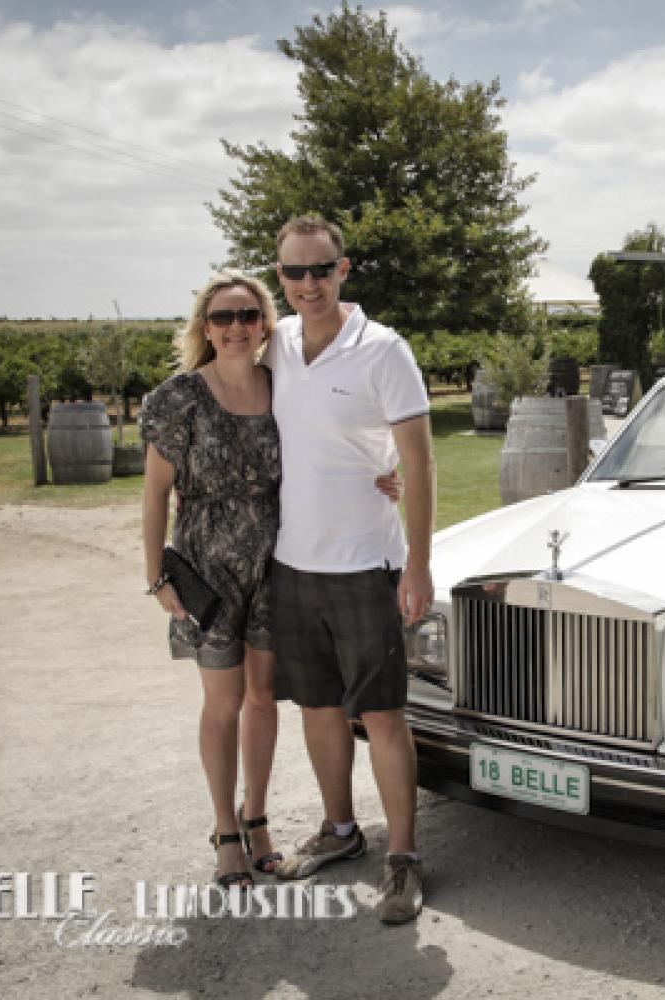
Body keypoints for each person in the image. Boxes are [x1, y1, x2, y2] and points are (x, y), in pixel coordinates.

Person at [265, 214, 435, 926]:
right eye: (294, 272)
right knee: (318, 708)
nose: (308, 283)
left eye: (321, 269)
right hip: (292, 563)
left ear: (345, 269)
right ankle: (341, 832)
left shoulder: (384, 351)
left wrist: (418, 566)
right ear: (280, 277)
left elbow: (420, 462)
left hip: (367, 561)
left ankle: (402, 859)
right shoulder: (270, 343)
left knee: (383, 715)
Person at [140, 271, 285, 889]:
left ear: (263, 324)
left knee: (264, 698)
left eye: (247, 316)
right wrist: (157, 578)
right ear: (205, 326)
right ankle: (226, 830)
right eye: (222, 317)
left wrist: (385, 478)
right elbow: (154, 494)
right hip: (210, 568)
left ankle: (257, 819)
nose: (235, 327)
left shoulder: (286, 389)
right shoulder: (178, 399)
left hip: (279, 564)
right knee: (222, 704)